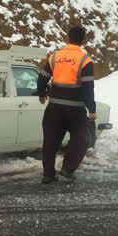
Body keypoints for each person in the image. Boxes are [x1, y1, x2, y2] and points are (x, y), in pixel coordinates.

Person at [37, 27, 96, 184]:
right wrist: (92, 109)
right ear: (83, 40)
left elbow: (42, 77)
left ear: (67, 38)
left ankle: (48, 174)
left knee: (50, 141)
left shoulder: (55, 56)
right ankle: (67, 169)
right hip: (75, 109)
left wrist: (41, 93)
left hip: (54, 107)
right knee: (82, 139)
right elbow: (88, 87)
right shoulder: (85, 60)